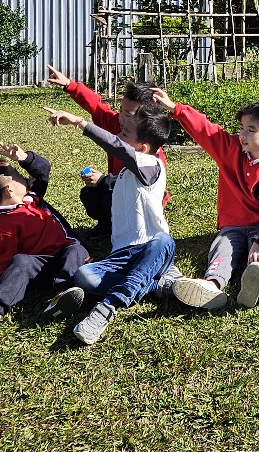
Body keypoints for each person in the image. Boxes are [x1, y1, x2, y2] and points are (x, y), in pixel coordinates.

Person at [44, 103, 176, 346]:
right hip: (121, 255)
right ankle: (159, 284)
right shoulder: (128, 172)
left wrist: (79, 122)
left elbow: (116, 147)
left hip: (151, 248)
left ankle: (108, 306)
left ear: (142, 148)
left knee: (163, 240)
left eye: (125, 134)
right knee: (84, 276)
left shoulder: (152, 164)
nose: (118, 136)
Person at [152, 90, 259, 312]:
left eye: (251, 130)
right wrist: (175, 109)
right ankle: (212, 285)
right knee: (223, 246)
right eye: (241, 128)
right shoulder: (230, 149)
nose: (242, 135)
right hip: (233, 226)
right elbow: (205, 129)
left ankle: (258, 277)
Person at [0, 143, 90, 338]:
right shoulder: (6, 226)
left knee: (75, 249)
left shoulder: (32, 196)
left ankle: (61, 296)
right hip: (39, 269)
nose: (25, 179)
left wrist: (25, 159)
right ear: (9, 190)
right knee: (21, 260)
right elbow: (6, 259)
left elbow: (43, 170)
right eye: (19, 177)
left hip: (68, 257)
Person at [45, 65, 167, 238]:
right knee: (90, 194)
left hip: (140, 201)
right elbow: (96, 107)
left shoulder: (150, 151)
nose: (121, 117)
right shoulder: (117, 123)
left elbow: (140, 186)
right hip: (116, 188)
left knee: (109, 195)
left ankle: (120, 226)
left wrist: (103, 180)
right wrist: (69, 84)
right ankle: (107, 224)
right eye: (121, 110)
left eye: (129, 114)